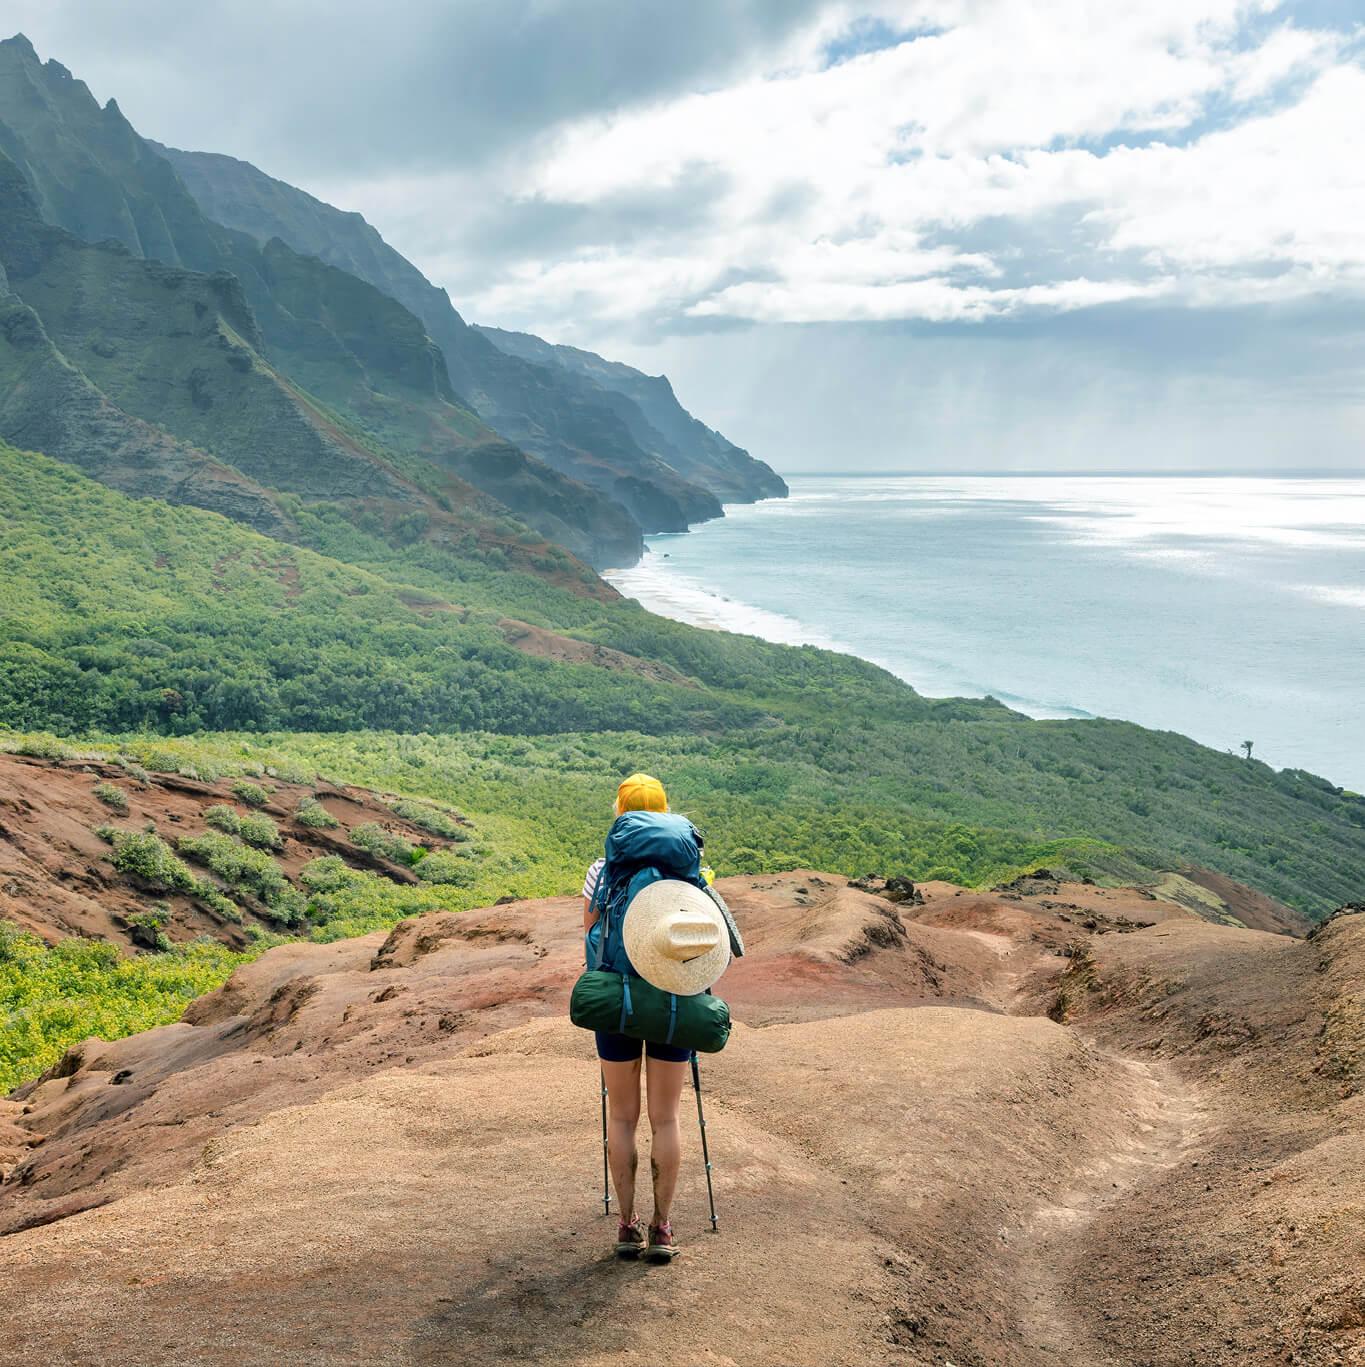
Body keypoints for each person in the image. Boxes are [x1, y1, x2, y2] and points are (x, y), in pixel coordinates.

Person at [583, 772, 709, 1264]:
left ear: (622, 814)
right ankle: (662, 1228)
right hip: (677, 998)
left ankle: (626, 1223)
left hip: (616, 1000)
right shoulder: (689, 869)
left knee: (622, 1115)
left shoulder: (601, 869)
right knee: (667, 1117)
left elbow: (591, 934)